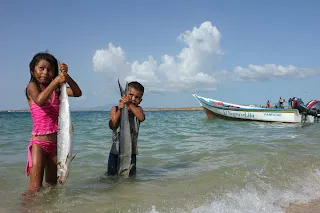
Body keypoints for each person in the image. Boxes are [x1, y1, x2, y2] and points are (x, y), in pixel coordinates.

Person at [25, 52, 82, 191]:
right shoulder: (32, 87)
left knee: (52, 186)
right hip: (39, 144)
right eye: (41, 68)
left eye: (49, 70)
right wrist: (57, 80)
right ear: (33, 71)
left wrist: (66, 77)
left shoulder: (58, 90)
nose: (45, 72)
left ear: (54, 72)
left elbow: (77, 92)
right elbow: (39, 100)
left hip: (57, 145)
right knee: (35, 189)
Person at [107, 81, 145, 176]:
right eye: (130, 95)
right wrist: (120, 109)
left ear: (140, 100)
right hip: (115, 153)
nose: (133, 99)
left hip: (131, 153)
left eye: (137, 97)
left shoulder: (138, 110)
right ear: (124, 96)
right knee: (111, 177)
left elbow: (141, 117)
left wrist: (129, 104)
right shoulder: (115, 109)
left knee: (131, 178)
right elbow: (112, 125)